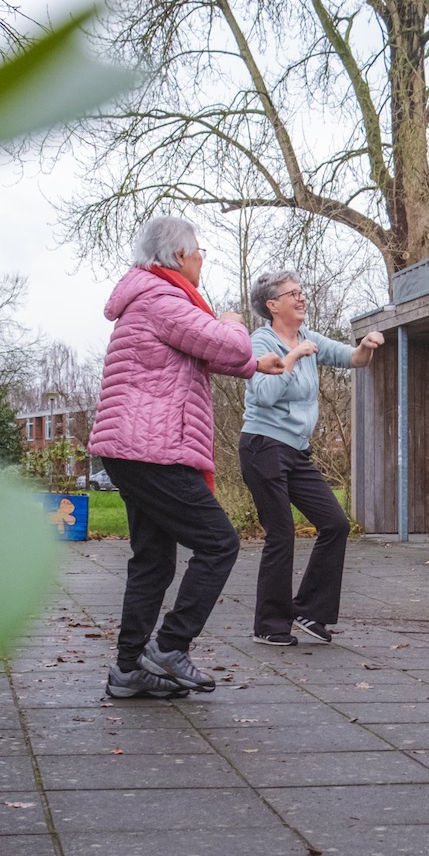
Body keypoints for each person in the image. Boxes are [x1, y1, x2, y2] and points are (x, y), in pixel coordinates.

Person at [89, 216, 286, 699]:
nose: (202, 259)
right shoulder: (163, 299)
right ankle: (170, 646)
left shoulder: (149, 299)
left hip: (133, 447)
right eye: (198, 251)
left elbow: (204, 353)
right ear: (179, 255)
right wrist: (234, 323)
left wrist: (252, 363)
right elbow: (225, 342)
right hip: (150, 449)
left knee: (153, 561)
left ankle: (128, 669)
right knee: (219, 543)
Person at [240, 271, 384, 646]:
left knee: (335, 523)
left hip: (295, 451)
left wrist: (366, 345)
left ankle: (309, 610)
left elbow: (354, 359)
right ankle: (269, 626)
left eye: (302, 292)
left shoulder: (309, 338)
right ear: (273, 305)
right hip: (262, 446)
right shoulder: (260, 342)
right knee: (281, 533)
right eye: (293, 293)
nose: (302, 298)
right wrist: (292, 358)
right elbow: (265, 394)